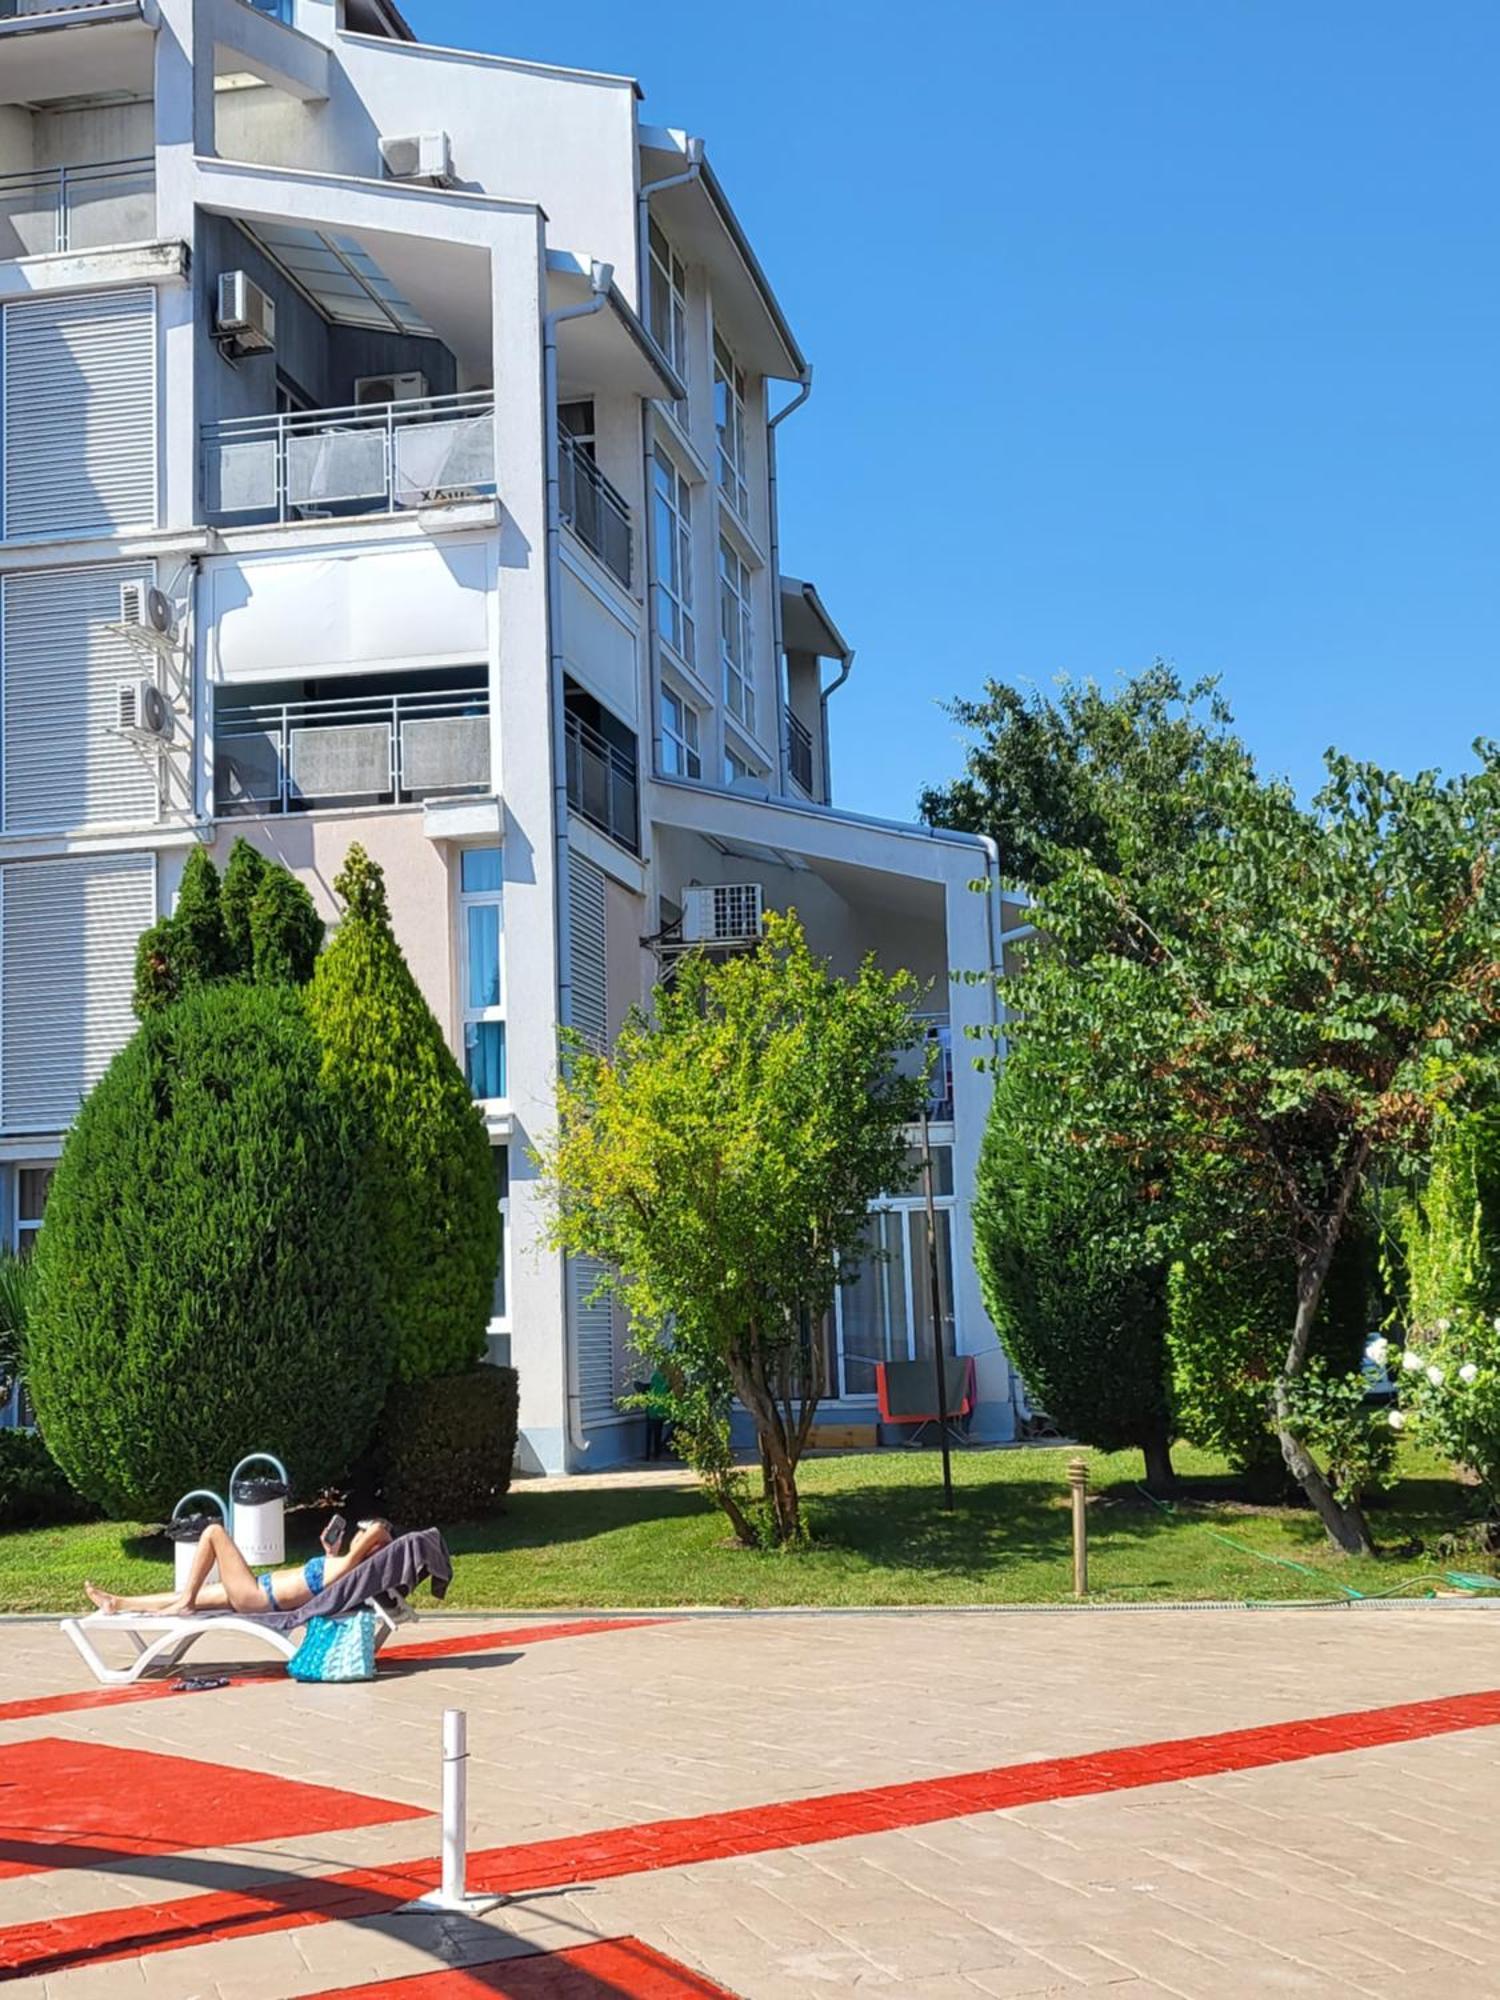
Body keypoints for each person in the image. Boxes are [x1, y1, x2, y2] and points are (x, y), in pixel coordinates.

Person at [84, 1517, 393, 1618]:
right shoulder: (341, 1563)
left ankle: (185, 1602)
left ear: (370, 1547)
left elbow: (379, 1531)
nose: (358, 1534)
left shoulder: (349, 1565)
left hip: (257, 1596)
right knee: (190, 1593)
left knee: (213, 1532)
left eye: (361, 1533)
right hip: (257, 1591)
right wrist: (330, 1551)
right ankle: (118, 1603)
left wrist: (377, 1532)